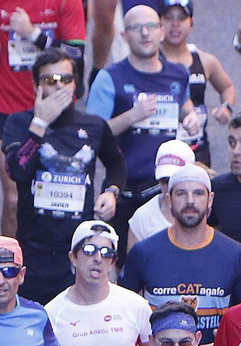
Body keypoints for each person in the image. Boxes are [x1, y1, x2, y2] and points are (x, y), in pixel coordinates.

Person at [0, 50, 125, 303]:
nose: (59, 86)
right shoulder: (19, 123)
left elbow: (117, 164)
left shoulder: (94, 126)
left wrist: (111, 192)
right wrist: (40, 123)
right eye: (50, 80)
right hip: (34, 250)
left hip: (79, 251)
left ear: (75, 84)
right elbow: (17, 171)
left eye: (65, 79)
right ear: (36, 85)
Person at [119, 165, 241, 346]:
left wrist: (228, 345)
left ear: (210, 200)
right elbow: (122, 311)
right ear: (168, 200)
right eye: (181, 193)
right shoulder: (144, 252)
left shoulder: (234, 254)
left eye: (198, 193)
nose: (190, 201)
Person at [84, 5, 200, 228]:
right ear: (124, 35)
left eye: (151, 26)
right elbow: (90, 134)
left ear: (162, 32)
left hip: (166, 188)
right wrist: (131, 116)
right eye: (136, 28)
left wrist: (191, 116)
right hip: (124, 190)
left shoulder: (178, 74)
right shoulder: (109, 78)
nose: (145, 33)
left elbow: (184, 104)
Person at [0, 6, 86, 240]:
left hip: (57, 106)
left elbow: (77, 53)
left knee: (59, 193)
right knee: (13, 199)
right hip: (7, 103)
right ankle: (9, 257)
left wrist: (34, 34)